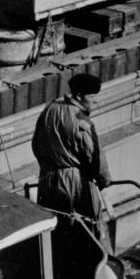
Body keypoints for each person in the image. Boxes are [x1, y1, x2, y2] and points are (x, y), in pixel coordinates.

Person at [32, 72, 111, 227]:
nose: (96, 101)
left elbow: (36, 144)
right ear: (79, 96)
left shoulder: (50, 109)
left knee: (55, 228)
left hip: (47, 180)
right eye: (92, 97)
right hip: (73, 183)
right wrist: (104, 180)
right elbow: (95, 156)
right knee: (82, 227)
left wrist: (48, 166)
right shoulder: (82, 121)